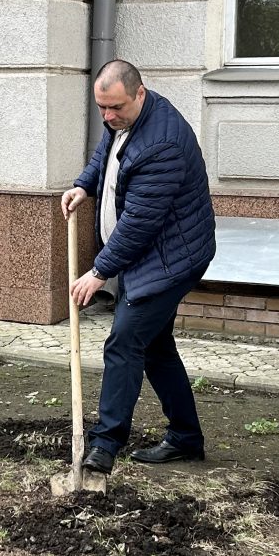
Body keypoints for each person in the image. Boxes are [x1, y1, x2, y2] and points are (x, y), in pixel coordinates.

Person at [60, 59, 216, 472]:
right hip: (149, 256)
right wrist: (84, 184)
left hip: (169, 261)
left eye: (116, 108)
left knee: (125, 342)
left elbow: (139, 224)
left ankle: (104, 447)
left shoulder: (162, 143)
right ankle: (185, 438)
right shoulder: (125, 118)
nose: (108, 117)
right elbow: (108, 154)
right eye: (102, 108)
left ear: (140, 93)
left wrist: (99, 272)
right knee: (155, 347)